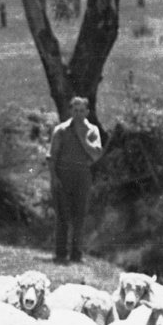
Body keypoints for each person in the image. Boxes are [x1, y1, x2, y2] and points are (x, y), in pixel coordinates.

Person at [47, 95, 104, 264]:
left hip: (82, 175)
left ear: (87, 112)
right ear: (71, 111)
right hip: (63, 175)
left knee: (80, 216)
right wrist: (54, 177)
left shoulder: (92, 130)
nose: (78, 113)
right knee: (62, 216)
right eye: (75, 110)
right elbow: (52, 156)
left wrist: (82, 138)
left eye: (81, 110)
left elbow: (96, 154)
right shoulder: (61, 130)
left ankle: (76, 254)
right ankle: (60, 253)